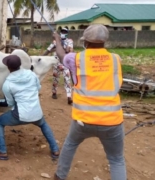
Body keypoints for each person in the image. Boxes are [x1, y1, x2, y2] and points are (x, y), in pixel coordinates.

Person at [52, 24, 126, 180]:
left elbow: (60, 55)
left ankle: (60, 176)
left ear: (85, 41)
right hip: (112, 121)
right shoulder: (116, 59)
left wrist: (57, 40)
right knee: (116, 159)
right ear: (105, 41)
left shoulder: (75, 59)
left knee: (70, 145)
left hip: (83, 120)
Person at [0, 55, 60, 161]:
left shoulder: (8, 83)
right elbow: (38, 88)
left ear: (8, 68)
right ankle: (55, 149)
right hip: (36, 112)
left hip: (20, 115)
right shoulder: (32, 75)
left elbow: (9, 103)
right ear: (20, 65)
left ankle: (2, 151)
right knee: (43, 124)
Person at [43, 27, 73, 105]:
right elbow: (48, 50)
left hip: (65, 63)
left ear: (67, 33)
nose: (63, 33)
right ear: (60, 33)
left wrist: (63, 46)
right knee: (55, 79)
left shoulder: (69, 41)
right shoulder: (55, 41)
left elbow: (70, 50)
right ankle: (54, 93)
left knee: (67, 79)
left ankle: (69, 96)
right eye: (62, 31)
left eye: (65, 32)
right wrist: (41, 57)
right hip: (56, 63)